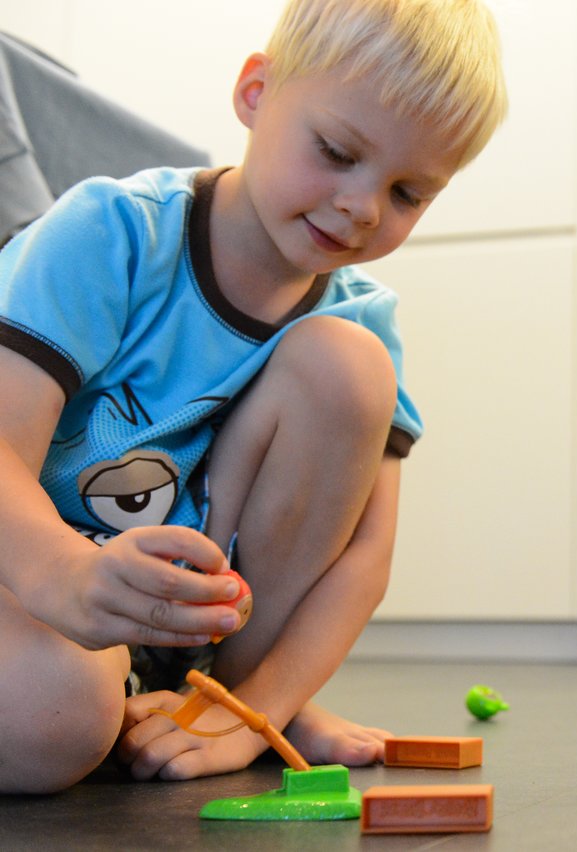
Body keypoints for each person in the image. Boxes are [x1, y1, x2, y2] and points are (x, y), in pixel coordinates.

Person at [0, 0, 506, 794]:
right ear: (256, 93)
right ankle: (114, 704)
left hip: (177, 639)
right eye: (337, 152)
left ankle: (213, 696)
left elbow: (365, 560)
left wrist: (258, 707)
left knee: (351, 366)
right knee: (57, 713)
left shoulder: (362, 321)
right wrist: (65, 576)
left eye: (409, 193)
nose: (363, 206)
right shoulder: (111, 233)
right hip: (24, 577)